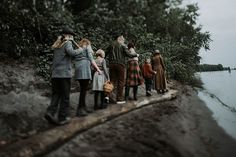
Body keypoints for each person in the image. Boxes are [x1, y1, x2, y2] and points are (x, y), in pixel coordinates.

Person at [45, 27, 82, 125]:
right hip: (64, 75)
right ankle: (62, 118)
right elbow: (72, 53)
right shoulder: (67, 43)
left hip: (55, 75)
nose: (73, 38)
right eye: (72, 36)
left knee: (56, 95)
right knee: (65, 97)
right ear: (68, 35)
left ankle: (50, 112)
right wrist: (81, 49)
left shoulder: (57, 44)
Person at [106, 34, 138, 104]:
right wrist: (136, 54)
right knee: (121, 81)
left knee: (112, 81)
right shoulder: (123, 45)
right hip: (120, 65)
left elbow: (105, 54)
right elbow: (128, 54)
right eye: (123, 39)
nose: (124, 40)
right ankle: (119, 98)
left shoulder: (110, 45)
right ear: (119, 38)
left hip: (111, 64)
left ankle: (111, 97)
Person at [74, 39, 101, 117]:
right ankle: (80, 110)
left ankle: (83, 107)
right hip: (84, 70)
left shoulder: (78, 49)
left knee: (83, 89)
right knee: (83, 90)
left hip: (78, 69)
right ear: (88, 43)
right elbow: (91, 59)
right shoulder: (87, 47)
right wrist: (98, 69)